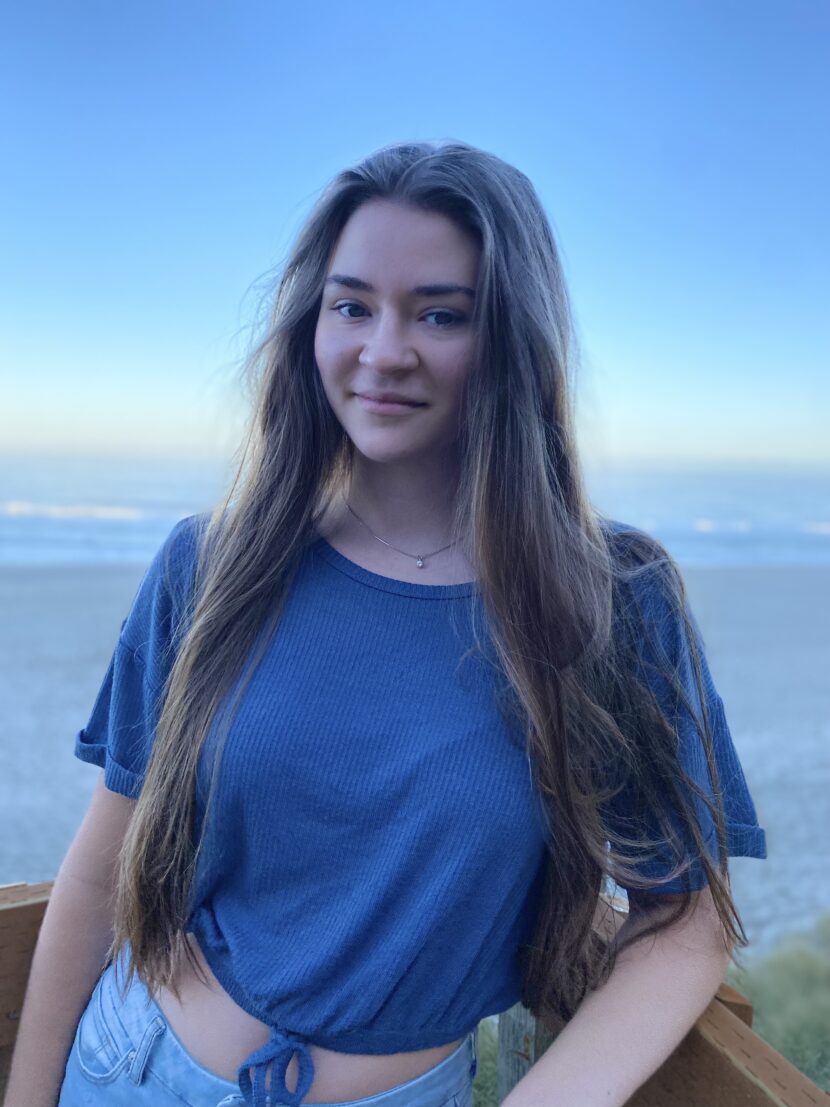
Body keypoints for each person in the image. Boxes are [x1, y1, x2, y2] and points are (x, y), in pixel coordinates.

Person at [5, 139, 766, 1107]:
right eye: (350, 305)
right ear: (308, 323)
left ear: (509, 338)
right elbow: (98, 869)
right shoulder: (215, 563)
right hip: (131, 1069)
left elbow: (684, 922)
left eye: (438, 313)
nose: (382, 349)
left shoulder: (608, 598)